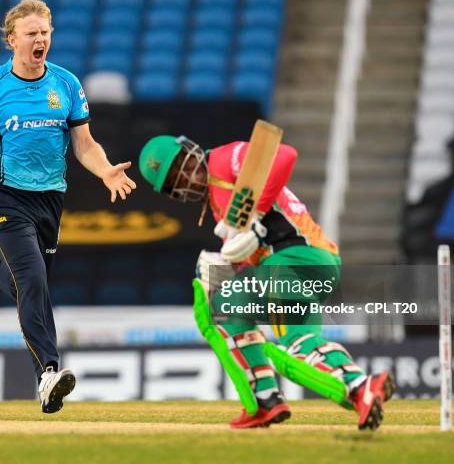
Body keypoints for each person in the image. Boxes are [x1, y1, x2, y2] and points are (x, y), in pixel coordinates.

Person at [0, 0, 136, 413]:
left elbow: (84, 144)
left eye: (45, 33)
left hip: (51, 199)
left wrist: (106, 170)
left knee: (29, 286)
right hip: (6, 196)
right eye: (31, 34)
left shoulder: (66, 84)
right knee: (34, 281)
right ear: (11, 41)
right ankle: (48, 372)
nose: (40, 39)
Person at [139, 134, 395, 430]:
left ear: (190, 149)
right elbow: (249, 254)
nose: (186, 179)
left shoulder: (225, 158)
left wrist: (256, 219)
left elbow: (284, 155)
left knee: (229, 310)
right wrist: (232, 260)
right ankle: (333, 393)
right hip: (304, 265)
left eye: (182, 165)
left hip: (294, 260)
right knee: (277, 332)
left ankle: (333, 388)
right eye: (173, 181)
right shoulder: (217, 206)